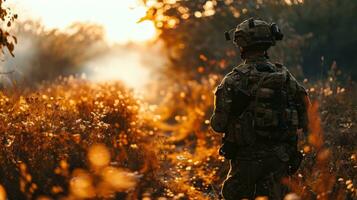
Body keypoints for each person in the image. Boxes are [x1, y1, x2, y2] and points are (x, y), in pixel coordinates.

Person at [210, 18, 310, 200]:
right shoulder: (284, 76)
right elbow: (306, 112)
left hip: (246, 159)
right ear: (268, 43)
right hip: (280, 157)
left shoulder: (233, 80)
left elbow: (218, 124)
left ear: (241, 45)